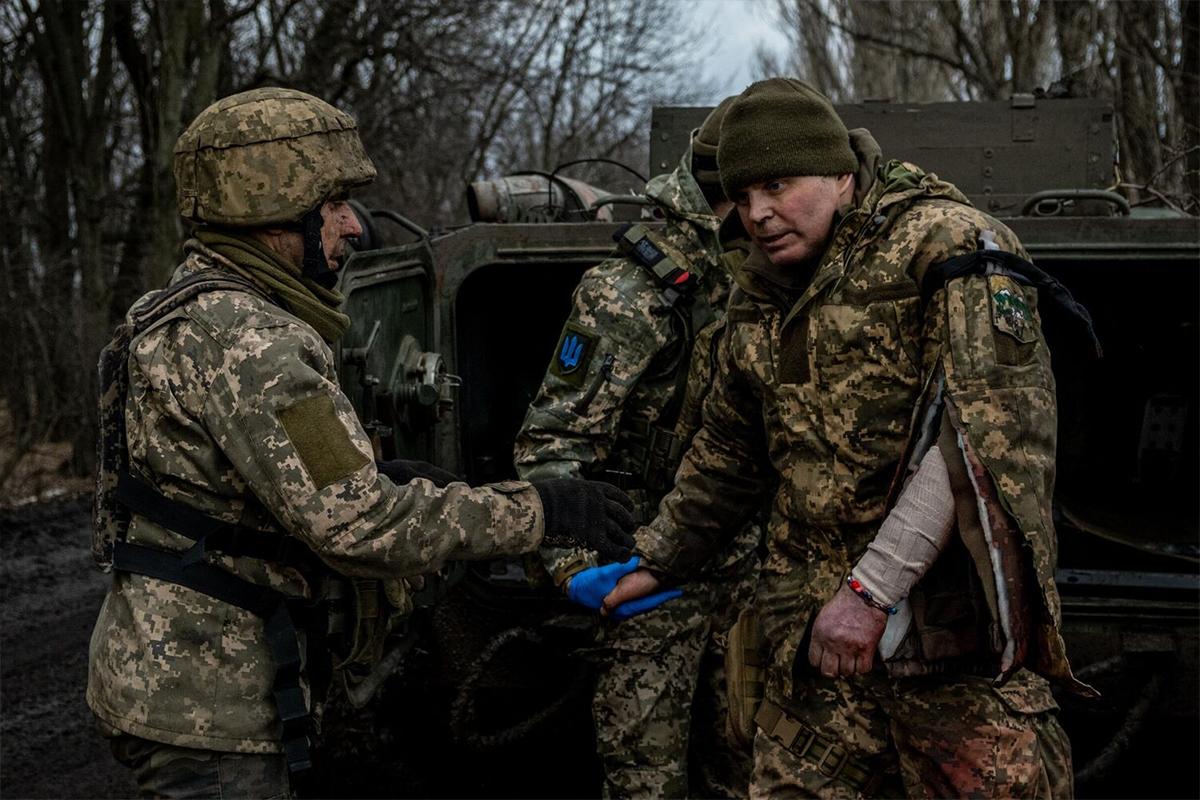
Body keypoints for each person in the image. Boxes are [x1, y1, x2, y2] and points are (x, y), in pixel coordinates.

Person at [87, 87, 635, 798]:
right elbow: (360, 526)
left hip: (164, 679)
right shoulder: (254, 342)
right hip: (213, 709)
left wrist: (389, 474)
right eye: (334, 202)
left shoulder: (176, 311)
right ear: (269, 203)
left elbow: (239, 488)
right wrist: (543, 510)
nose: (353, 227)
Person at [603, 78, 1097, 798]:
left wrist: (870, 594)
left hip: (950, 659)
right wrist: (660, 558)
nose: (759, 214)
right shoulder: (763, 286)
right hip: (813, 662)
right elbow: (730, 452)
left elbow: (985, 442)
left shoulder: (946, 244)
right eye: (742, 197)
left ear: (842, 172)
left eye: (778, 184)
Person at [514, 99, 759, 798]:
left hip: (753, 571)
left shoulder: (776, 275)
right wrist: (574, 569)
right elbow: (553, 442)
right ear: (734, 193)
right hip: (651, 573)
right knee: (644, 777)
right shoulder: (632, 293)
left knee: (756, 772)